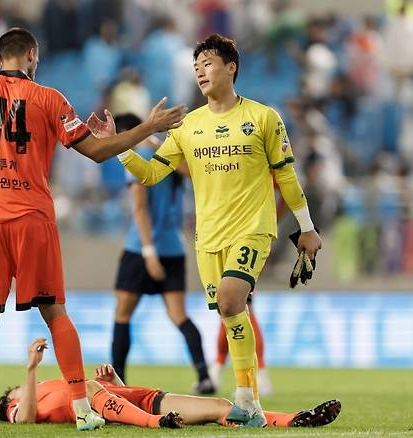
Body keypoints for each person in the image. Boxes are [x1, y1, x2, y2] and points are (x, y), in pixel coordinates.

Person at [0, 27, 186, 432]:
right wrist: (147, 127)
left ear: (0, 57)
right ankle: (83, 408)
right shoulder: (51, 99)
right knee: (55, 312)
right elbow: (97, 151)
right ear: (32, 57)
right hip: (34, 217)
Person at [93, 33, 324, 427]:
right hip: (208, 238)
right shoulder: (187, 126)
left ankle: (244, 397)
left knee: (234, 303)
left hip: (252, 229)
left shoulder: (263, 118)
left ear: (231, 68)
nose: (200, 71)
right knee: (231, 318)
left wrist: (307, 228)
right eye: (196, 66)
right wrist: (121, 148)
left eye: (208, 64)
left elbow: (286, 177)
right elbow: (151, 174)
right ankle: (249, 403)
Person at [0, 339, 341, 429]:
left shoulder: (55, 384)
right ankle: (156, 425)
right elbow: (26, 418)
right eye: (14, 390)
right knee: (86, 388)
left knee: (222, 408)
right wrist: (29, 371)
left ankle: (294, 419)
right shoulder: (19, 403)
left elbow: (115, 399)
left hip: (145, 398)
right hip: (140, 412)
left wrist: (114, 382)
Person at [109, 113, 214, 395]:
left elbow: (140, 208)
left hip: (141, 247)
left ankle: (117, 380)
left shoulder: (137, 157)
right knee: (179, 315)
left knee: (122, 314)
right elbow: (192, 172)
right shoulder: (166, 154)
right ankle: (204, 374)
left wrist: (148, 251)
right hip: (174, 247)